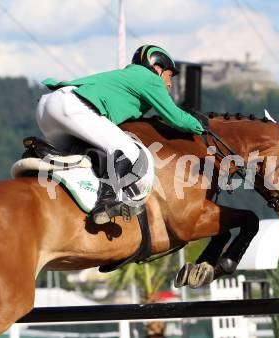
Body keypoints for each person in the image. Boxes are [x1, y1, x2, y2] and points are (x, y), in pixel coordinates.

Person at [36, 44, 205, 224]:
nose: (169, 84)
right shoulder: (149, 78)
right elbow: (176, 118)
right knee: (130, 153)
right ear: (157, 68)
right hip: (71, 107)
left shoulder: (128, 78)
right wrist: (201, 126)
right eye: (169, 76)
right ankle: (106, 202)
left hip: (46, 108)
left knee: (81, 160)